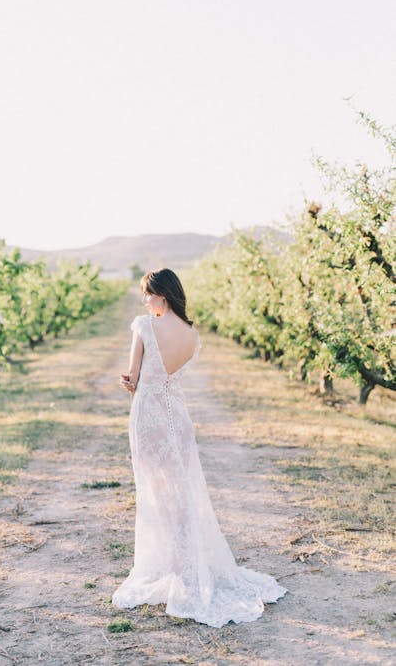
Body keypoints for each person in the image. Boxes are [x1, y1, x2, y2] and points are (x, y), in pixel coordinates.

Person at [111, 268, 287, 628]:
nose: (144, 301)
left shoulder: (144, 326)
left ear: (161, 295)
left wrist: (129, 382)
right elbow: (169, 378)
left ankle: (168, 565)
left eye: (147, 294)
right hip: (178, 420)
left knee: (155, 493)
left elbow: (134, 379)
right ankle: (186, 561)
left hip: (148, 420)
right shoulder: (192, 336)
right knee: (182, 493)